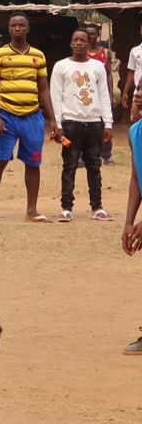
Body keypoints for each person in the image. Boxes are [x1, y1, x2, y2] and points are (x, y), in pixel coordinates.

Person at [0, 13, 59, 223]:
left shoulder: (38, 56)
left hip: (33, 117)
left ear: (27, 29)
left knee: (33, 163)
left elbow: (43, 89)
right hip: (7, 116)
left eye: (21, 25)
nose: (17, 28)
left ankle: (31, 210)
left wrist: (53, 120)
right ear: (9, 29)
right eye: (13, 25)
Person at [51, 29, 113, 222]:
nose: (79, 43)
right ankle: (66, 208)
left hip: (94, 123)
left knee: (94, 166)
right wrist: (58, 124)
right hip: (70, 123)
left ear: (89, 43)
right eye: (75, 39)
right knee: (69, 166)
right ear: (70, 43)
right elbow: (55, 97)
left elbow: (103, 95)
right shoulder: (61, 66)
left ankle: (97, 207)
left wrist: (108, 122)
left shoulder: (98, 66)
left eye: (83, 40)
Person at [122, 98, 142, 354]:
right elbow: (136, 177)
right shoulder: (134, 131)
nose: (138, 95)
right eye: (138, 88)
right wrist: (128, 221)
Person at [83, 22, 115, 164]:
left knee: (105, 124)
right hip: (85, 95)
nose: (90, 36)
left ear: (97, 35)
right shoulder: (80, 52)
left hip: (101, 95)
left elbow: (109, 74)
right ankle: (81, 156)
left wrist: (111, 94)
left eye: (92, 33)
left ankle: (106, 155)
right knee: (82, 125)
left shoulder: (104, 53)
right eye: (87, 33)